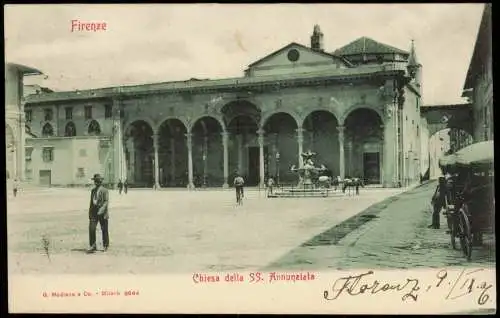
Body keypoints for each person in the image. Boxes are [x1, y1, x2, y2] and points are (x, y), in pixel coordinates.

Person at [87, 174, 110, 253]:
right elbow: (91, 202)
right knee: (91, 228)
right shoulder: (93, 190)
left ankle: (105, 245)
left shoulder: (105, 190)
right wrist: (90, 212)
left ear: (101, 181)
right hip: (93, 212)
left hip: (102, 213)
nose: (96, 182)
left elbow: (106, 202)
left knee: (104, 229)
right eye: (95, 181)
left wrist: (101, 210)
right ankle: (92, 245)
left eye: (98, 181)